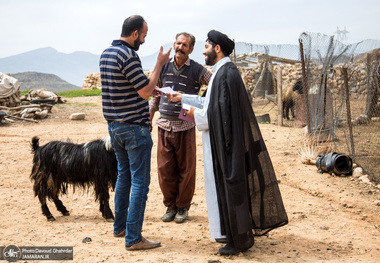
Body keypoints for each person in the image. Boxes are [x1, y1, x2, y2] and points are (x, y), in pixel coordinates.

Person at [168, 30, 288, 255]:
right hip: (223, 143)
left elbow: (217, 113)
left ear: (217, 48)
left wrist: (193, 113)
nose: (203, 51)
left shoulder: (224, 75)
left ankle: (237, 240)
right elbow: (211, 101)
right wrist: (182, 98)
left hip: (224, 146)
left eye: (206, 46)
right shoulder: (222, 72)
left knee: (230, 188)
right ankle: (230, 233)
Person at [99, 15, 171, 251]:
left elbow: (129, 86)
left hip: (114, 127)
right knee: (140, 182)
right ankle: (133, 238)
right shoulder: (129, 55)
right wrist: (160, 64)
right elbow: (144, 91)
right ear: (134, 34)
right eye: (143, 36)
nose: (143, 40)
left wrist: (149, 86)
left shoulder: (106, 53)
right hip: (134, 128)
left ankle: (120, 227)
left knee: (124, 177)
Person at [149, 32, 212, 224]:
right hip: (164, 125)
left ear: (191, 49)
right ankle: (170, 206)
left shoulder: (197, 70)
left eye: (185, 45)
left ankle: (183, 207)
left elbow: (216, 83)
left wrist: (202, 104)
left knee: (186, 169)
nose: (180, 47)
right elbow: (155, 96)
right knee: (165, 169)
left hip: (185, 126)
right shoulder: (163, 67)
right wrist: (149, 117)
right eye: (178, 43)